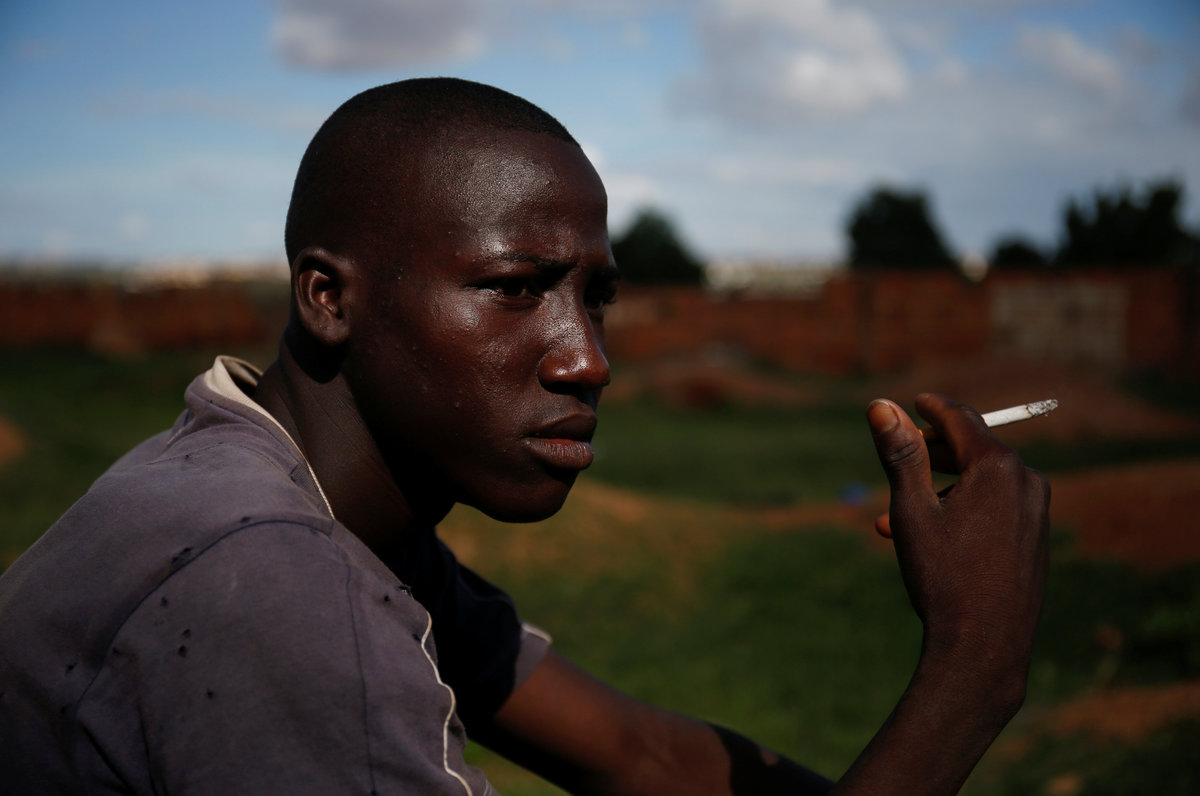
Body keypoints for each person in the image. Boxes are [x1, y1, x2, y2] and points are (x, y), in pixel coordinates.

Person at [0, 77, 1049, 794]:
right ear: (329, 298)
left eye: (596, 298)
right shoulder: (268, 582)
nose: (588, 359)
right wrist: (973, 671)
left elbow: (643, 759)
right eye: (513, 289)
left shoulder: (299, 491)